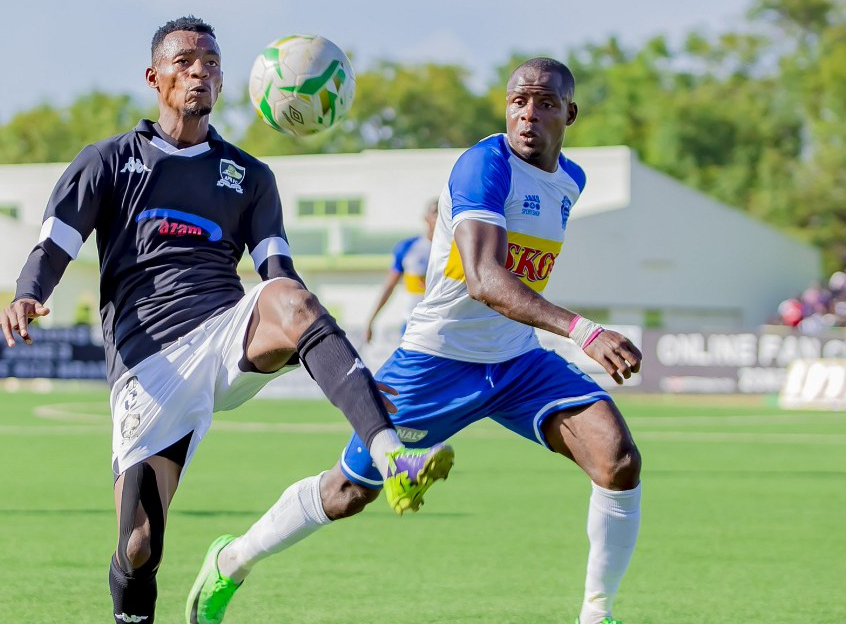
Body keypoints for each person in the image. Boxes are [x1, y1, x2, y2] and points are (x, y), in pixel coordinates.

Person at [0, 16, 453, 624]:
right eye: (184, 61)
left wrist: (343, 365)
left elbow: (281, 276)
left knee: (285, 294)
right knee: (138, 548)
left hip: (227, 332)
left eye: (210, 60)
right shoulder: (108, 160)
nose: (199, 69)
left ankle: (392, 454)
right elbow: (53, 246)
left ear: (227, 80)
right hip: (148, 367)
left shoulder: (251, 176)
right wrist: (26, 294)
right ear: (154, 77)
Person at [188, 58, 644, 624]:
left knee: (618, 459)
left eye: (545, 103)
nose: (528, 114)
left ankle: (597, 615)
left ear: (569, 113)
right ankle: (231, 562)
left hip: (518, 360)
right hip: (436, 359)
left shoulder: (571, 181)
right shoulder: (484, 165)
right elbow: (484, 281)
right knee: (348, 493)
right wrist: (585, 331)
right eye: (518, 101)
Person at [363, 199, 438, 344]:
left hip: (443, 326)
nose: (440, 217)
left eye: (444, 212)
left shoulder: (457, 249)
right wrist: (371, 321)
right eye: (435, 213)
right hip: (412, 324)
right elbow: (388, 287)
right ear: (425, 218)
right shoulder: (409, 247)